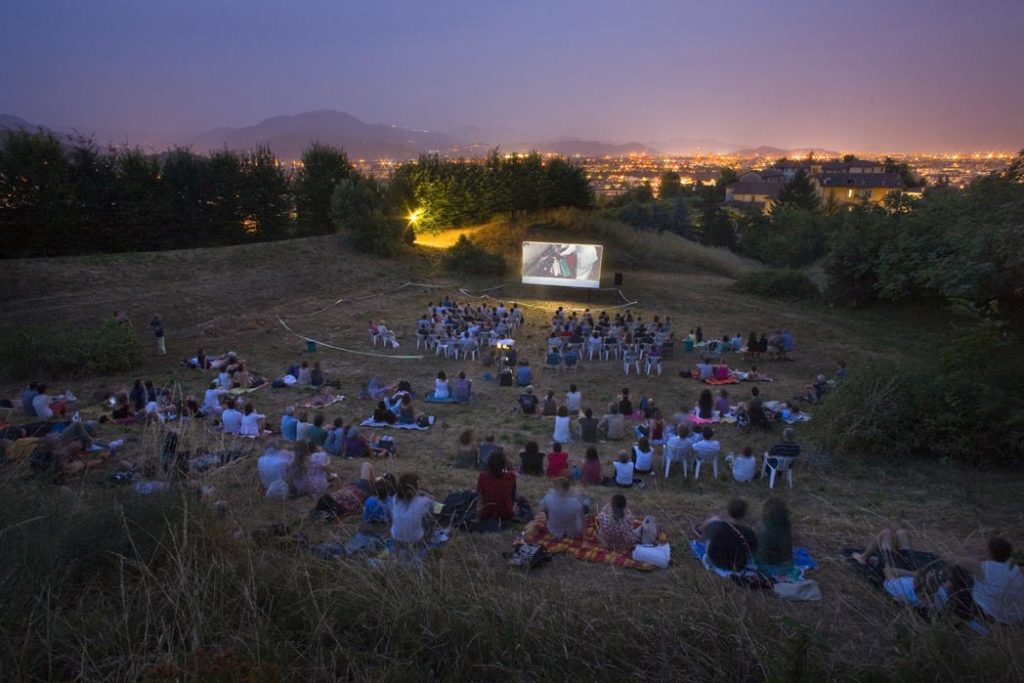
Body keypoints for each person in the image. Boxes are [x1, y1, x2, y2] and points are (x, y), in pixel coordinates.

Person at [852, 528, 938, 607]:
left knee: (886, 532)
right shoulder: (937, 596)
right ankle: (885, 555)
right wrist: (919, 575)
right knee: (902, 533)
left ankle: (863, 557)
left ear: (916, 584)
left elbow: (887, 570)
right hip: (909, 567)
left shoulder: (901, 589)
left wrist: (915, 574)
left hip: (895, 569)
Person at [947, 537, 1024, 624]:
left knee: (959, 569)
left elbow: (955, 560)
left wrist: (982, 557)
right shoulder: (1017, 570)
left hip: (988, 615)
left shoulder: (984, 568)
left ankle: (952, 603)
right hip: (1014, 618)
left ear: (989, 552)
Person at [703, 499, 759, 572]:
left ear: (728, 511)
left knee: (709, 538)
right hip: (737, 566)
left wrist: (713, 519)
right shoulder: (749, 533)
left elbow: (703, 532)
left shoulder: (716, 525)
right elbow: (752, 550)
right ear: (744, 514)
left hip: (714, 561)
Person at [390, 473, 434, 546]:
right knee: (431, 515)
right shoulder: (423, 501)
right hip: (416, 541)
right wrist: (425, 494)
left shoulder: (394, 499)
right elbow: (434, 503)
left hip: (396, 539)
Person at [476, 449, 517, 525]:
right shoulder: (510, 477)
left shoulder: (483, 476)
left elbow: (480, 499)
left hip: (487, 512)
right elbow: (513, 498)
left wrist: (477, 517)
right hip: (506, 513)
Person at [756, 498, 793, 566]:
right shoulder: (786, 524)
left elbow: (762, 547)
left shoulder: (765, 528)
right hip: (787, 559)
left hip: (771, 561)